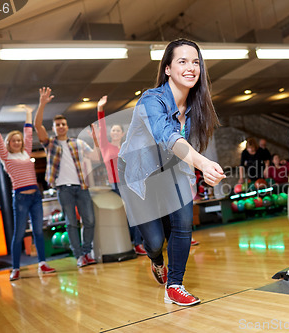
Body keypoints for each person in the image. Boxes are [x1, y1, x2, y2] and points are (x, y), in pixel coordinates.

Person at [118, 38, 225, 306]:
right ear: (167, 69)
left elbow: (184, 146)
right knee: (154, 242)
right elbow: (165, 135)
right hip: (139, 173)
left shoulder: (194, 107)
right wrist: (203, 164)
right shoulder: (150, 100)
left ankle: (175, 284)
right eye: (182, 61)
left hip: (172, 170)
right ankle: (156, 260)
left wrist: (199, 167)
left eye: (196, 62)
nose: (191, 68)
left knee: (182, 224)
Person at [0, 103, 56, 281]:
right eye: (14, 140)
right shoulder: (6, 157)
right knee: (18, 234)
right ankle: (16, 268)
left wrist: (28, 114)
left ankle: (43, 263)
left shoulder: (27, 153)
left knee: (38, 232)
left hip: (35, 196)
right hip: (20, 198)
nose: (18, 142)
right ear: (9, 144)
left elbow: (28, 133)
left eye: (19, 140)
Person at [34, 87, 99, 268]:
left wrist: (95, 139)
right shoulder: (50, 144)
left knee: (89, 221)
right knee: (71, 223)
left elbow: (95, 157)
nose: (61, 126)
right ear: (54, 128)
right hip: (64, 189)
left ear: (67, 126)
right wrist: (42, 104)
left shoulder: (77, 143)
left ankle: (86, 253)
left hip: (82, 187)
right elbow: (37, 126)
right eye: (58, 125)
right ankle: (79, 256)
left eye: (63, 124)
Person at [95, 96, 146, 255]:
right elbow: (101, 129)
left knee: (137, 213)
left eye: (118, 130)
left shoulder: (126, 147)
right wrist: (100, 110)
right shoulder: (106, 146)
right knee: (126, 215)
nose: (115, 132)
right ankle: (130, 243)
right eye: (113, 130)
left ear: (122, 133)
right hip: (116, 184)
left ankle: (138, 244)